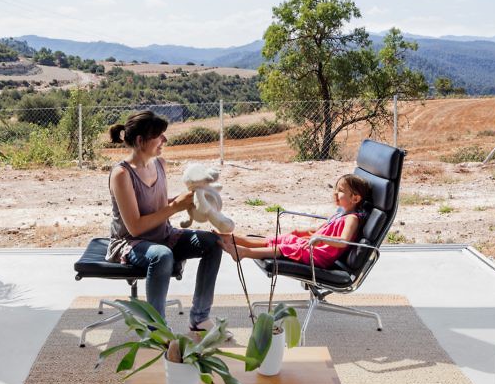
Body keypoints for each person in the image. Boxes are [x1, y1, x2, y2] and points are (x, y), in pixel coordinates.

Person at [107, 110, 223, 332]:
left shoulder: (160, 163)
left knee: (213, 243)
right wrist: (175, 206)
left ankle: (199, 318)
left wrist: (188, 201)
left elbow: (157, 205)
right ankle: (158, 330)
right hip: (131, 242)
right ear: (140, 141)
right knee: (162, 255)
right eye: (159, 135)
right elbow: (135, 227)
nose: (165, 139)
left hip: (163, 234)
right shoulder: (121, 174)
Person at [218, 173, 372, 268]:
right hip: (313, 246)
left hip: (320, 256)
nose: (335, 193)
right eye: (336, 189)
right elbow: (322, 228)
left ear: (355, 198)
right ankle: (233, 239)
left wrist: (320, 239)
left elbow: (343, 241)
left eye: (340, 191)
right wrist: (301, 232)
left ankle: (244, 252)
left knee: (286, 248)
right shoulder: (340, 214)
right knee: (285, 239)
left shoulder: (352, 219)